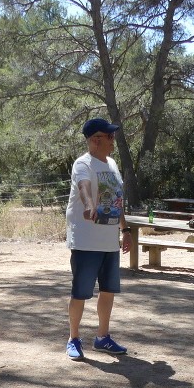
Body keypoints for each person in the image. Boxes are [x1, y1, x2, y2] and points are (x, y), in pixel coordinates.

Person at [64, 117, 132, 360]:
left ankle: (102, 337)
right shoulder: (83, 164)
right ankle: (73, 338)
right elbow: (84, 187)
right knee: (81, 292)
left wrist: (125, 230)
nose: (114, 140)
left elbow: (117, 199)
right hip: (85, 241)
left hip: (108, 242)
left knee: (108, 291)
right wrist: (90, 205)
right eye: (109, 136)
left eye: (113, 136)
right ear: (95, 140)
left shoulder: (112, 164)